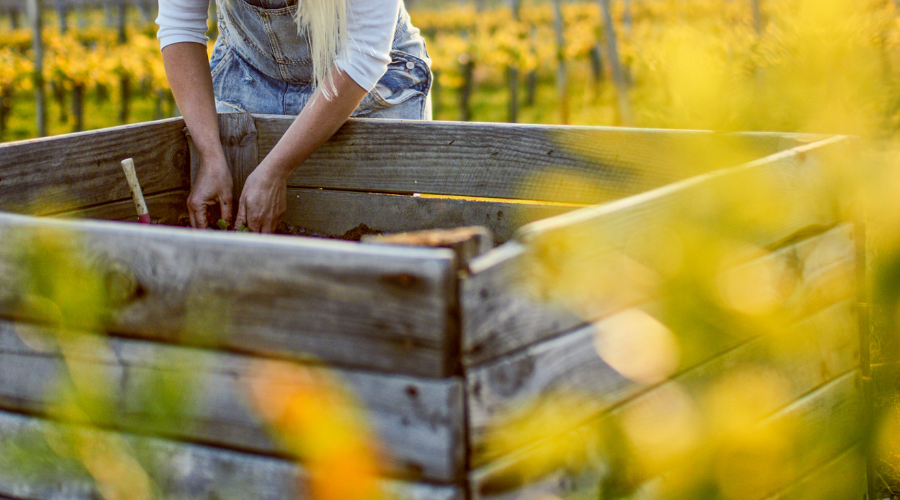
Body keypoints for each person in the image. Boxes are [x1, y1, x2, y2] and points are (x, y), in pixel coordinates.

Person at [156, 0, 432, 232]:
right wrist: (210, 156)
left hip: (368, 88)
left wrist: (275, 171)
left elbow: (363, 58)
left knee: (375, 241)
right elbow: (180, 27)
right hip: (250, 75)